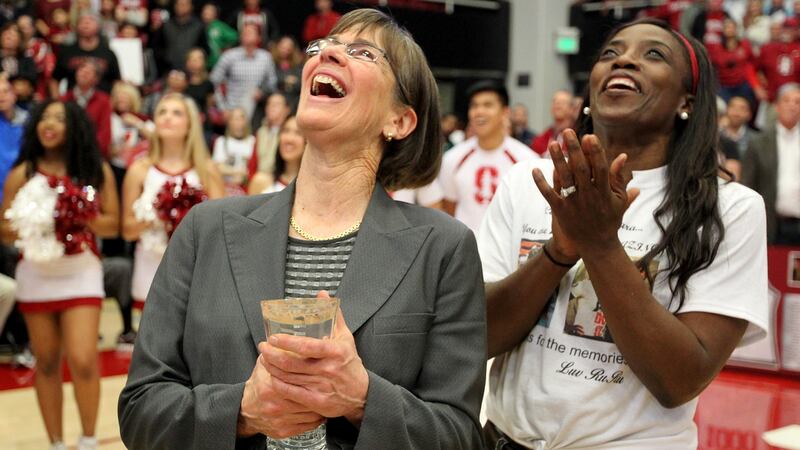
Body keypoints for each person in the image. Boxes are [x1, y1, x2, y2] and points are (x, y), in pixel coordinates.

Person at [118, 8, 486, 449]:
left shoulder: (443, 247)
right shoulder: (207, 229)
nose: (327, 53)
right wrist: (240, 412)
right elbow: (140, 411)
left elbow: (460, 436)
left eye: (363, 52)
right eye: (322, 47)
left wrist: (362, 399)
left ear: (399, 121)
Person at [479, 19, 768, 449]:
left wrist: (599, 244)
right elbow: (479, 334)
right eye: (611, 53)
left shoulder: (730, 209)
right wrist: (558, 251)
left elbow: (680, 380)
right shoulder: (527, 180)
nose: (626, 59)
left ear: (686, 100)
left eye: (653, 54)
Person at [0, 100, 119, 450]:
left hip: (81, 272)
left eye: (59, 118)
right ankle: (54, 442)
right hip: (36, 275)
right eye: (44, 117)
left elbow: (113, 224)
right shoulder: (24, 172)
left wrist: (74, 213)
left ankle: (87, 439)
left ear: (76, 128)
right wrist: (31, 220)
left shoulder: (95, 171)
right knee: (47, 362)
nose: (49, 124)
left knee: (83, 359)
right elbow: (4, 229)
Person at [121, 92, 224, 312]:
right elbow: (128, 230)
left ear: (190, 125)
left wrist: (187, 216)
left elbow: (221, 228)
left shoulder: (207, 170)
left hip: (196, 270)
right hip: (150, 269)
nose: (167, 118)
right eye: (162, 112)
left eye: (176, 113)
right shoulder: (139, 170)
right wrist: (161, 213)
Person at [438, 80, 538, 233]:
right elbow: (449, 209)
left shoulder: (527, 160)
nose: (479, 112)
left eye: (487, 105)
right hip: (464, 251)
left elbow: (532, 213)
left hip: (507, 252)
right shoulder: (452, 158)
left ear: (505, 112)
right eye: (474, 106)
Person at [742, 82, 800, 245]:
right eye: (787, 101)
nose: (792, 106)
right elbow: (747, 185)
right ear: (776, 106)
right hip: (770, 224)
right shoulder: (758, 143)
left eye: (797, 102)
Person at [210, 23, 277, 120]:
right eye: (244, 32)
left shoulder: (266, 57)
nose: (246, 34)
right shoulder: (229, 56)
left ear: (259, 37)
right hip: (232, 110)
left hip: (257, 112)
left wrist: (262, 92)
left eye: (250, 32)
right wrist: (222, 108)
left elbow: (272, 84)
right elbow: (214, 81)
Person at [51, 12, 122, 96]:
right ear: (76, 26)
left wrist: (112, 102)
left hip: (102, 103)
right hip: (72, 103)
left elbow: (116, 82)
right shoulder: (67, 51)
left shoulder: (108, 53)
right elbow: (54, 80)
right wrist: (58, 101)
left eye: (90, 20)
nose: (86, 23)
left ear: (98, 26)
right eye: (82, 21)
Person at [61, 60, 113, 158]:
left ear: (96, 79)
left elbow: (105, 135)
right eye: (81, 69)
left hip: (92, 155)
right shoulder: (64, 99)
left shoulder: (104, 101)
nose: (84, 72)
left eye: (89, 71)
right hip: (65, 154)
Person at [248, 115, 304, 194]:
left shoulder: (313, 189)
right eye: (285, 131)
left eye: (298, 133)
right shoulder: (261, 182)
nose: (289, 139)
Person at [247, 90, 290, 178]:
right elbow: (253, 164)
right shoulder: (260, 132)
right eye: (269, 104)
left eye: (276, 104)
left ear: (286, 110)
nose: (271, 107)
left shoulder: (290, 133)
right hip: (258, 181)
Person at [213, 107, 255, 190]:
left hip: (247, 187)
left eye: (241, 118)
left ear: (246, 121)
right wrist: (238, 172)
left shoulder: (253, 141)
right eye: (235, 119)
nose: (238, 122)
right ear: (229, 122)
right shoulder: (221, 141)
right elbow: (216, 167)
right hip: (225, 187)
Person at [531, 89, 575, 156]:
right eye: (555, 101)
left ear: (571, 109)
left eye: (563, 102)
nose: (557, 104)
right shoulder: (542, 138)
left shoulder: (577, 136)